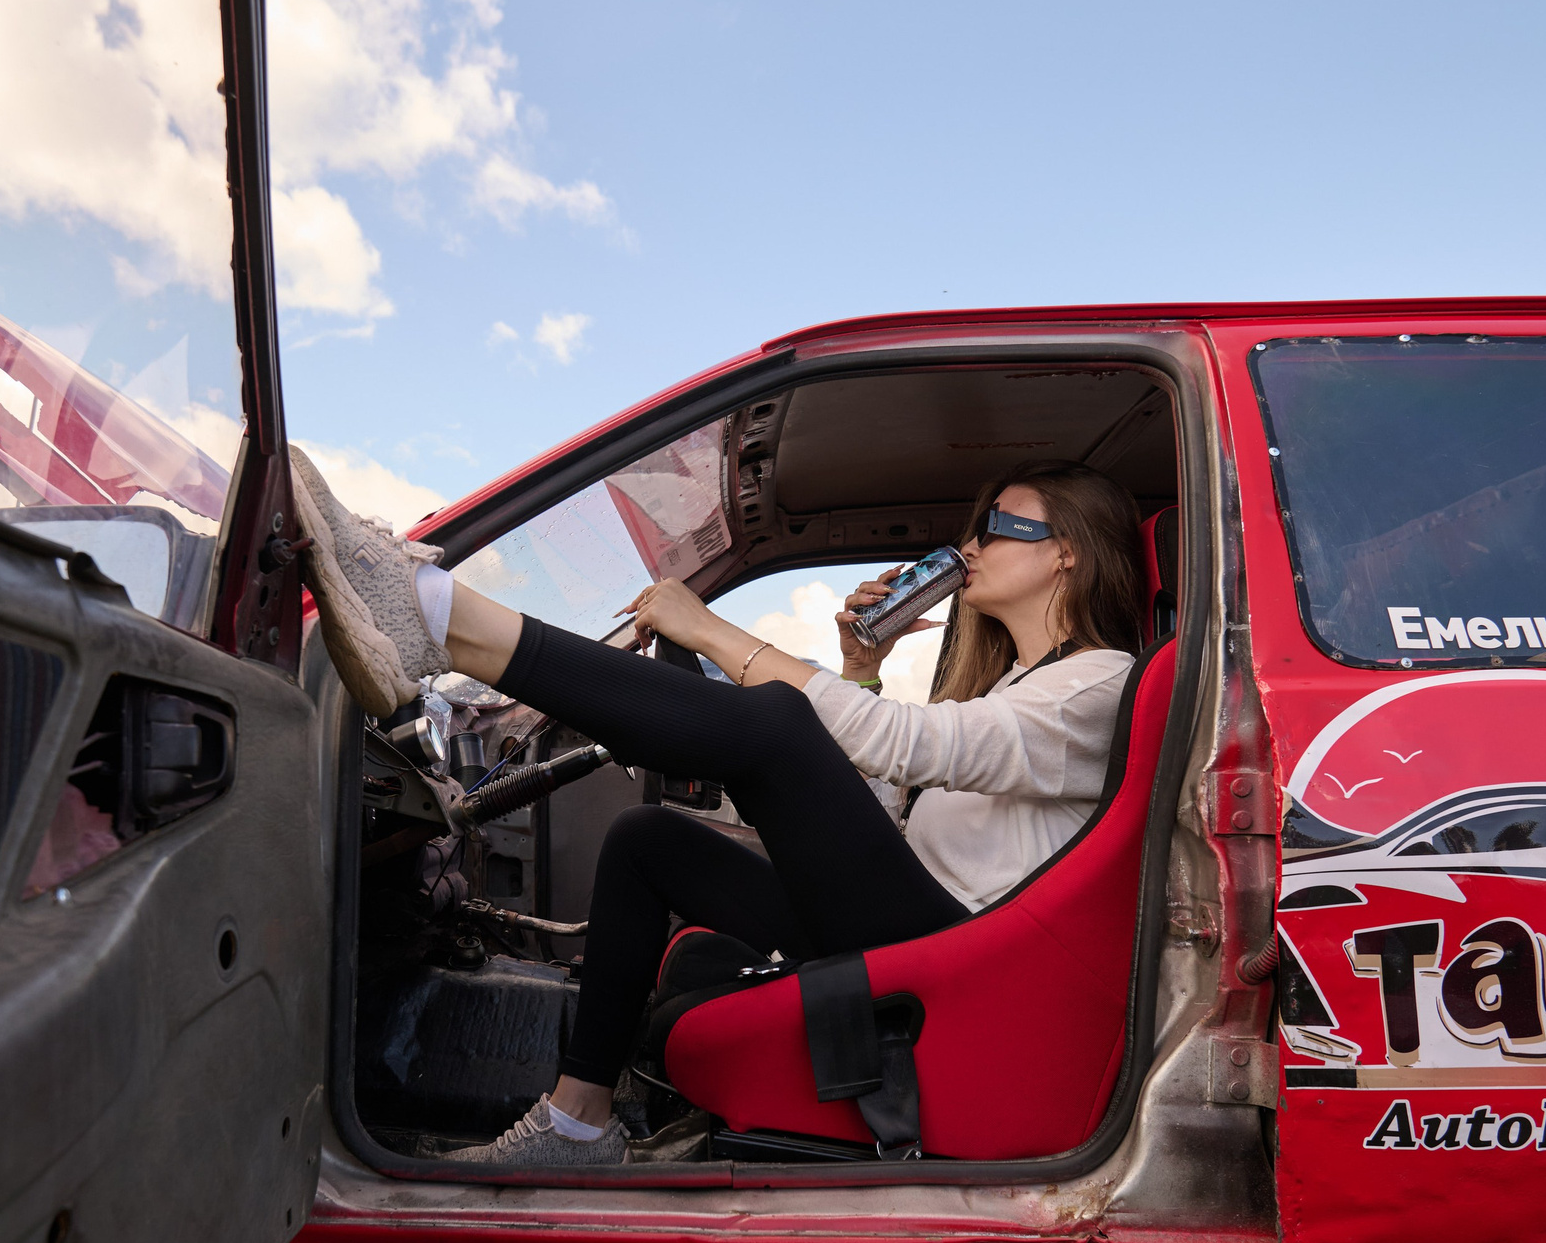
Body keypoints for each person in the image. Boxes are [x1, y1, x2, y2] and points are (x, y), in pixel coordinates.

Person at [293, 449, 1147, 1166]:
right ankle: (576, 1125)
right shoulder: (1014, 688)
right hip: (921, 933)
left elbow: (911, 745)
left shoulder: (1099, 685)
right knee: (648, 841)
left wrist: (710, 632)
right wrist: (859, 668)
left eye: (997, 527)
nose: (968, 548)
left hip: (966, 962)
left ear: (1067, 553)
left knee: (776, 723)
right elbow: (885, 810)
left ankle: (442, 619)